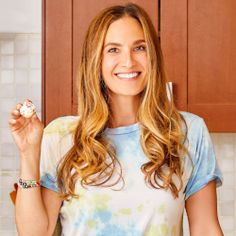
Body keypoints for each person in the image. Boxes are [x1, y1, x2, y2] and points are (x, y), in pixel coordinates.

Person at [9, 3, 223, 236]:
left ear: (153, 55)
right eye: (113, 49)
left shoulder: (187, 131)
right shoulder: (62, 135)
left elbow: (206, 228)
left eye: (139, 48)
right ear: (95, 61)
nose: (128, 61)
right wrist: (29, 154)